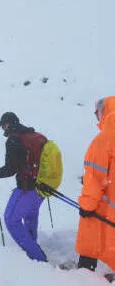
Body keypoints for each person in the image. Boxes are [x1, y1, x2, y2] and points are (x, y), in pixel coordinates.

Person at [0, 112, 47, 262]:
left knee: (11, 219)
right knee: (30, 215)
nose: (3, 129)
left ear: (8, 124)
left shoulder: (14, 140)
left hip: (27, 188)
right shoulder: (34, 135)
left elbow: (10, 169)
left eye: (3, 125)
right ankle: (32, 246)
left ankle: (36, 257)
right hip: (42, 188)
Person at [76, 97, 115, 273]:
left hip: (105, 211)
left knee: (90, 244)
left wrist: (86, 206)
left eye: (97, 113)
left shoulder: (103, 141)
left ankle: (85, 277)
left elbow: (94, 179)